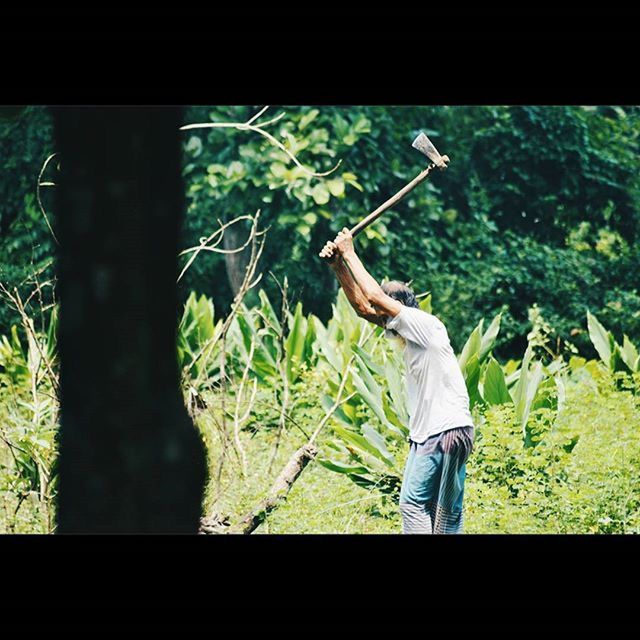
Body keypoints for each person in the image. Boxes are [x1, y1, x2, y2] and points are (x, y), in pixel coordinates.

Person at [319, 227, 475, 534]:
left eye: (385, 311)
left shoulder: (421, 323)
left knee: (412, 504)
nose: (379, 316)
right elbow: (365, 308)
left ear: (398, 307)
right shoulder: (409, 330)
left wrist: (349, 252)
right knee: (444, 513)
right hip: (452, 430)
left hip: (440, 431)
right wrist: (338, 266)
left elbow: (374, 297)